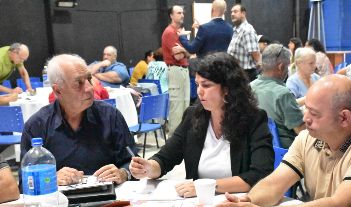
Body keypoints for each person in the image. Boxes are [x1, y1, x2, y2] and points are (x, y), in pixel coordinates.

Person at [129, 52, 274, 198]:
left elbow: (260, 174)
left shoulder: (253, 119)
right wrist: (149, 168)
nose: (199, 91)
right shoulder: (193, 116)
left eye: (206, 85)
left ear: (227, 88)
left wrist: (207, 186)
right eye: (198, 84)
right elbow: (165, 158)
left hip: (237, 201)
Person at [217, 75, 351, 207]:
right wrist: (246, 200)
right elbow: (274, 184)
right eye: (306, 109)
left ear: (344, 118)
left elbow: (341, 203)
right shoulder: (308, 138)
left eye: (314, 113)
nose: (305, 118)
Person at [21, 54, 137, 186]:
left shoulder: (110, 116)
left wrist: (123, 173)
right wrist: (50, 179)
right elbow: (24, 182)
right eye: (79, 83)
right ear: (58, 91)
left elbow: (133, 162)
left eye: (89, 78)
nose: (89, 88)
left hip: (109, 197)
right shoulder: (37, 126)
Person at [251, 44, 305, 148]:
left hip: (259, 147)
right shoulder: (283, 94)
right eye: (288, 66)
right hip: (286, 152)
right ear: (281, 67)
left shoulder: (250, 87)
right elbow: (302, 131)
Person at [162, 5, 190, 137]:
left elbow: (187, 53)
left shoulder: (178, 33)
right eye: (179, 13)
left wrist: (185, 50)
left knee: (185, 107)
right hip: (175, 71)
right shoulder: (169, 33)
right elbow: (179, 56)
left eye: (182, 13)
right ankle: (173, 145)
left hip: (183, 70)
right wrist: (187, 51)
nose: (182, 15)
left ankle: (182, 142)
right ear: (171, 16)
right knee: (177, 109)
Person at [227, 4, 261, 81]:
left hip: (246, 76)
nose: (232, 14)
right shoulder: (236, 30)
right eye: (231, 12)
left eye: (235, 12)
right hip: (237, 74)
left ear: (243, 14)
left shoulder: (247, 30)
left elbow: (256, 55)